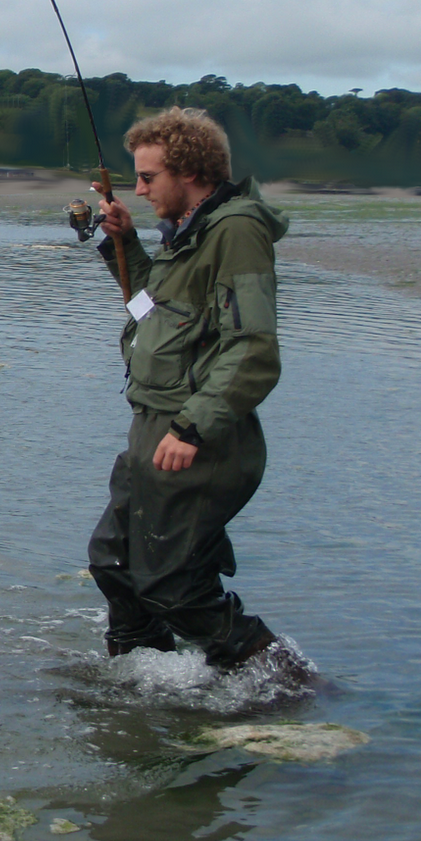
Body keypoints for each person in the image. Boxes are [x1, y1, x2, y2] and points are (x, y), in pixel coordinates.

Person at [91, 107, 296, 672]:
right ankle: (138, 681)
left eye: (149, 178)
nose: (139, 189)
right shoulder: (187, 234)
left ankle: (279, 678)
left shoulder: (236, 230)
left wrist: (192, 427)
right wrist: (124, 246)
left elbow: (253, 347)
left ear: (191, 173)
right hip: (150, 430)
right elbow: (151, 309)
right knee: (113, 563)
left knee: (173, 586)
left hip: (195, 440)